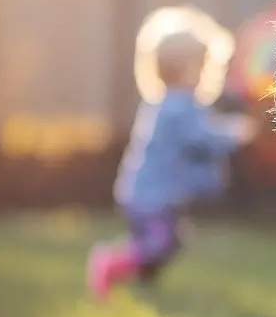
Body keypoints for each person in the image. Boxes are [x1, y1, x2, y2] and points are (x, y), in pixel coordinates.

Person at [87, 30, 255, 299]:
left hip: (144, 193)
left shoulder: (168, 102)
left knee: (169, 240)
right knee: (159, 243)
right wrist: (234, 133)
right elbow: (203, 138)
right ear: (187, 70)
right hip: (152, 196)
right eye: (202, 68)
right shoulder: (178, 105)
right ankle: (108, 264)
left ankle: (145, 284)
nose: (205, 76)